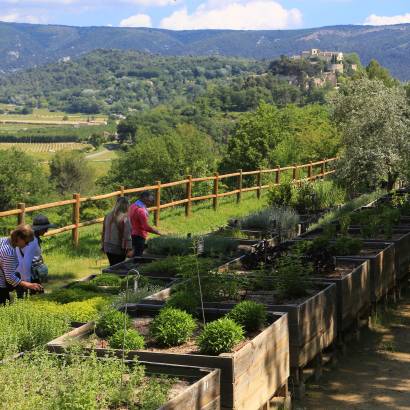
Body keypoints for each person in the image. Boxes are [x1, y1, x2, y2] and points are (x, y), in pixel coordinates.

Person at [0, 225, 43, 305]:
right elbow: (9, 278)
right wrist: (29, 284)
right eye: (26, 242)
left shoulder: (3, 240)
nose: (27, 245)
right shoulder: (10, 253)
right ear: (19, 238)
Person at [15, 215, 56, 298]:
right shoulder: (32, 240)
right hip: (28, 274)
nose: (47, 231)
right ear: (39, 228)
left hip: (25, 273)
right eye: (45, 228)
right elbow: (26, 261)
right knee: (36, 298)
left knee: (31, 298)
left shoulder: (30, 237)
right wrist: (28, 282)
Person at [102, 197, 133, 266]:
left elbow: (104, 231)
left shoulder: (107, 215)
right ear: (127, 205)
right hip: (119, 247)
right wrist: (129, 249)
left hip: (107, 245)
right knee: (118, 267)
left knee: (112, 265)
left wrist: (102, 245)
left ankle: (110, 276)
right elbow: (127, 235)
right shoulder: (125, 218)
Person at [129, 191, 161, 256]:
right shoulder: (140, 210)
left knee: (134, 255)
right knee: (138, 256)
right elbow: (145, 227)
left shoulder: (132, 206)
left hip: (131, 233)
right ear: (144, 198)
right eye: (149, 200)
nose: (150, 203)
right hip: (139, 235)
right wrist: (158, 232)